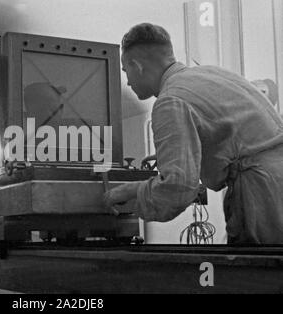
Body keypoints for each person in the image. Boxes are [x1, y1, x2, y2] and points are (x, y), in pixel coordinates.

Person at [104, 23, 283, 244]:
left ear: (137, 65)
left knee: (261, 277)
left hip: (264, 195)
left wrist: (127, 192)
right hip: (275, 182)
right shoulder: (211, 73)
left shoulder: (170, 100)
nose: (128, 81)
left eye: (125, 71)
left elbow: (178, 188)